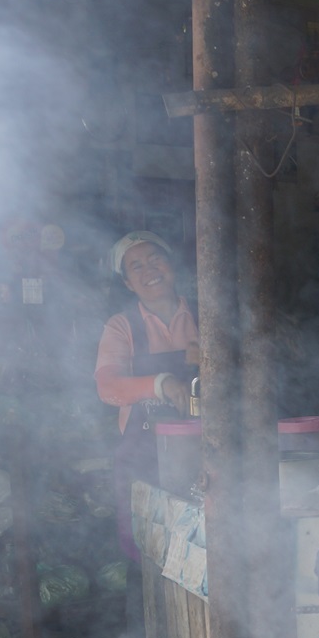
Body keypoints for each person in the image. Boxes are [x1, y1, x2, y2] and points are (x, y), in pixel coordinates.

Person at [95, 231, 198, 558]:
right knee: (149, 557)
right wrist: (160, 383)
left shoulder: (205, 315)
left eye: (155, 258)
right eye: (136, 266)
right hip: (144, 463)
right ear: (127, 283)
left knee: (202, 548)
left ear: (171, 265)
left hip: (203, 457)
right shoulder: (121, 326)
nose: (149, 270)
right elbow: (107, 387)